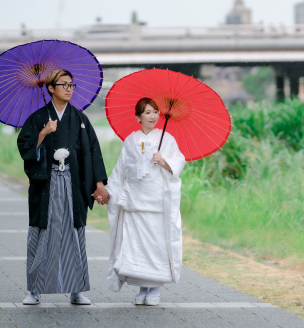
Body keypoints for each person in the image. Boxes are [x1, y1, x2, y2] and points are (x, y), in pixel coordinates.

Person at [16, 68, 109, 306]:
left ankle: (77, 289)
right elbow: (25, 148)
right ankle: (34, 290)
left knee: (74, 233)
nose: (69, 89)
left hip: (73, 183)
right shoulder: (38, 118)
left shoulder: (79, 118)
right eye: (64, 85)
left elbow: (92, 151)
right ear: (50, 88)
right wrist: (44, 132)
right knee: (41, 233)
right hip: (46, 184)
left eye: (71, 85)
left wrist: (98, 184)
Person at [106, 97, 186, 306]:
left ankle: (155, 290)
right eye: (147, 112)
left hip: (157, 202)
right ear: (138, 117)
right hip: (135, 201)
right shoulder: (130, 140)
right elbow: (120, 170)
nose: (152, 116)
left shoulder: (167, 139)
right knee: (138, 246)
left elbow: (178, 163)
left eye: (155, 112)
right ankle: (143, 289)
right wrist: (109, 191)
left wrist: (163, 161)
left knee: (156, 244)